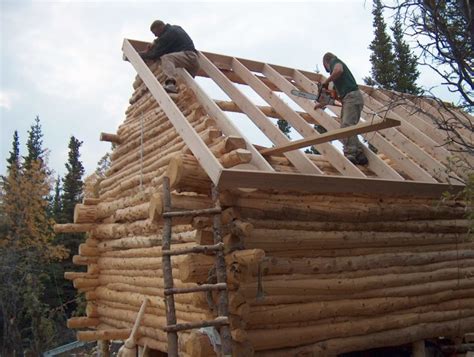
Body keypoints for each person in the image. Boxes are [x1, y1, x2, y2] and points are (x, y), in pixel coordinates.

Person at [320, 52, 368, 165]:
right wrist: (322, 103)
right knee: (347, 126)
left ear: (326, 62)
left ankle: (350, 153)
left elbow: (339, 70)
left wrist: (326, 82)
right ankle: (359, 154)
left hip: (352, 97)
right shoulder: (339, 82)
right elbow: (334, 96)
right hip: (349, 98)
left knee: (346, 126)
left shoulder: (334, 62)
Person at [139, 20, 199, 93]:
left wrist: (141, 55)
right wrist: (154, 43)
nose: (155, 35)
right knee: (184, 88)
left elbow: (155, 54)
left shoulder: (168, 35)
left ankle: (171, 84)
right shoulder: (175, 28)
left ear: (160, 28)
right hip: (193, 61)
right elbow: (161, 40)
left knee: (166, 58)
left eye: (155, 33)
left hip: (188, 57)